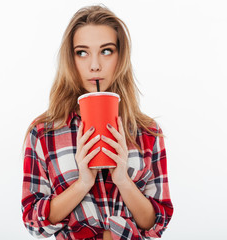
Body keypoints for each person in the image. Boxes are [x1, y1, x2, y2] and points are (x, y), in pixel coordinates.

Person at [21, 5, 173, 240]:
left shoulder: (148, 133)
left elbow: (155, 224)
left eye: (106, 51)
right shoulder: (43, 133)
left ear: (120, 57)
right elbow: (34, 221)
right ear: (70, 59)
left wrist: (122, 179)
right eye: (82, 52)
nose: (94, 65)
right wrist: (83, 182)